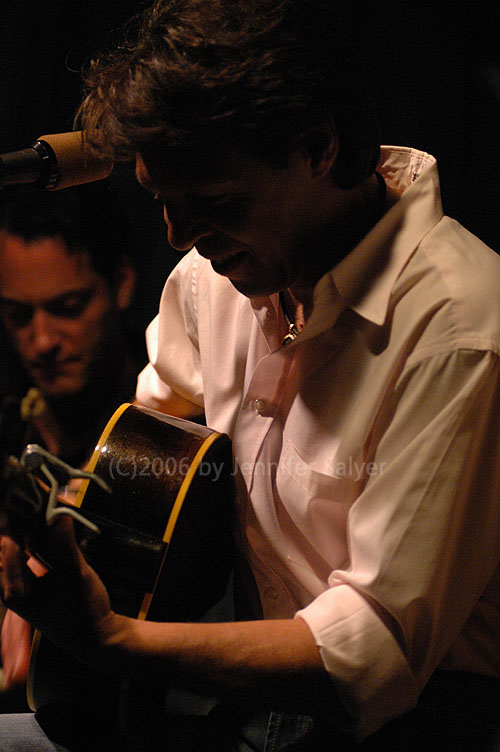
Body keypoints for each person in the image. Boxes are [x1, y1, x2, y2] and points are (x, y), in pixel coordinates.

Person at [1, 0, 500, 749]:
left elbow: (373, 648)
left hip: (431, 724)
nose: (180, 237)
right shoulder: (215, 279)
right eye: (162, 203)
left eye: (212, 203)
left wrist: (115, 641)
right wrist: (53, 549)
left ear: (319, 148)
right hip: (253, 713)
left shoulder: (461, 328)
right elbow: (136, 472)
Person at [0, 183, 138, 709]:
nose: (41, 342)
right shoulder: (12, 425)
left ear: (122, 281)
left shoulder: (174, 431)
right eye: (17, 315)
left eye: (68, 307)